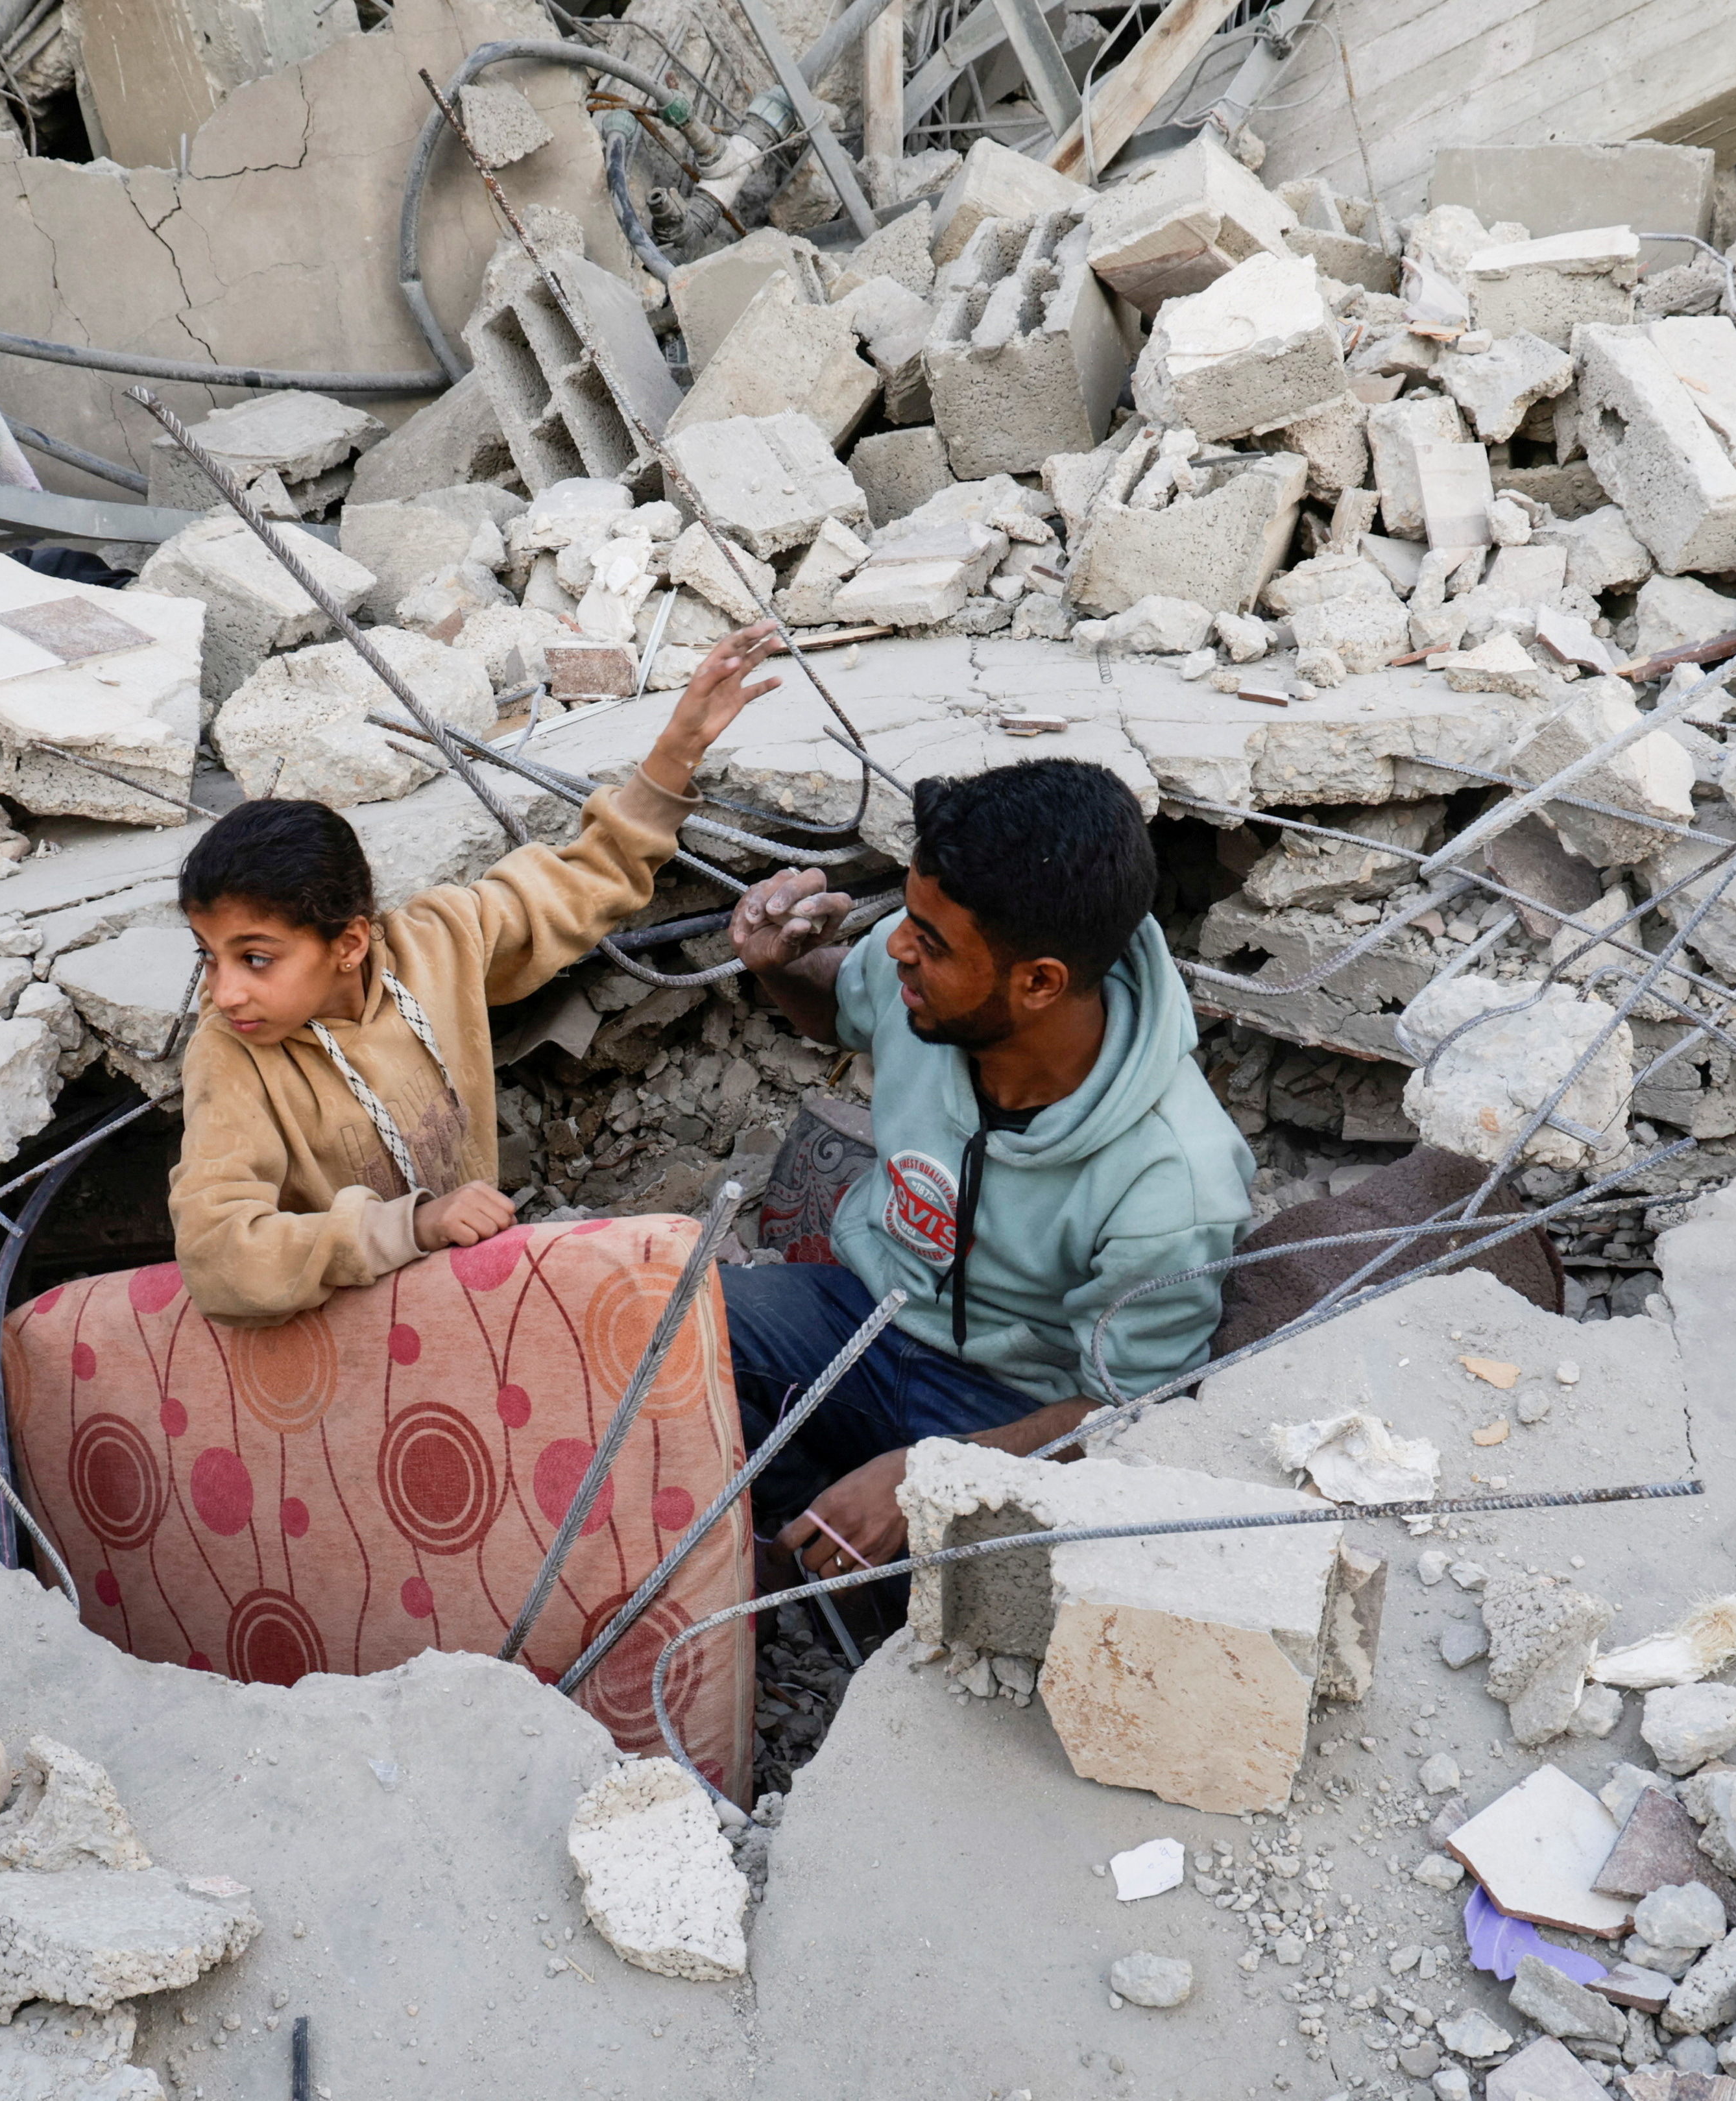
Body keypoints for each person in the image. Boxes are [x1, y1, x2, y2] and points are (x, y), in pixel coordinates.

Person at [719, 758, 1255, 1580]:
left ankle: (868, 1577)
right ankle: (813, 1542)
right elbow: (843, 1004)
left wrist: (935, 1474)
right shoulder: (923, 991)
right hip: (866, 1311)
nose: (895, 946)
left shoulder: (1173, 1180)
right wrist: (779, 962)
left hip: (1015, 1401)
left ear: (1040, 982)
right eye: (907, 915)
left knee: (1017, 1593)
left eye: (929, 943)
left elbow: (1130, 1414)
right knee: (678, 1335)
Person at [169, 625, 784, 1323]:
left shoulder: (438, 943)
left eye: (255, 958)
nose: (226, 992)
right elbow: (218, 1257)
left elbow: (582, 882)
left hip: (476, 1280)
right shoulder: (232, 1052)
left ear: (349, 943)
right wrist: (414, 1227)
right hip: (353, 1329)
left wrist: (676, 750)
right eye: (208, 956)